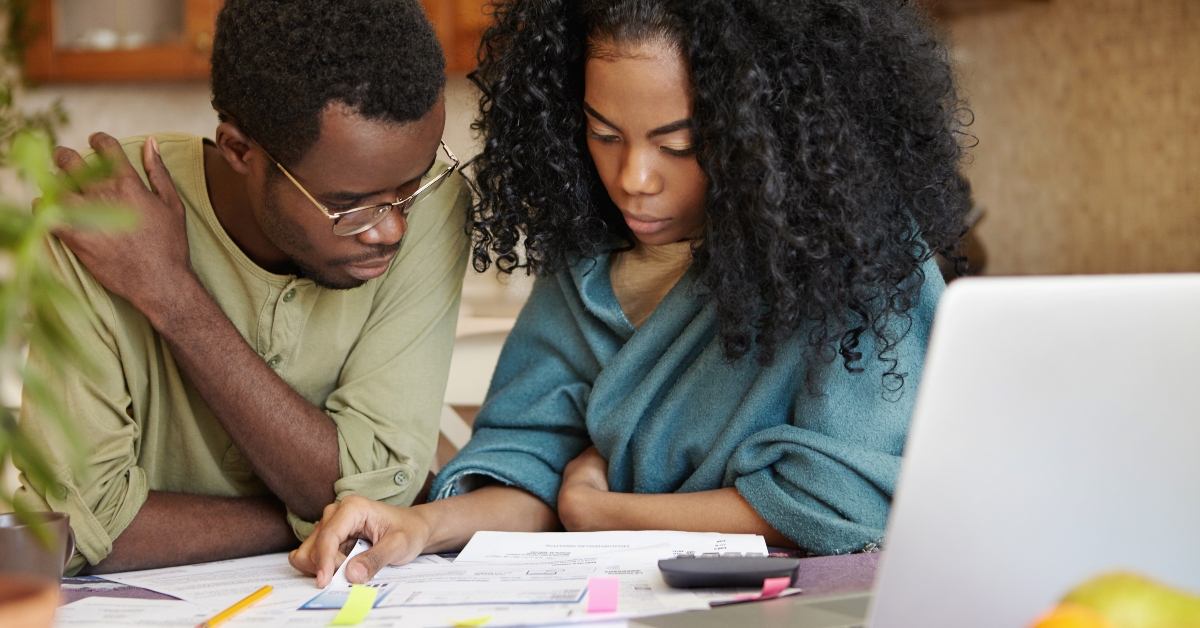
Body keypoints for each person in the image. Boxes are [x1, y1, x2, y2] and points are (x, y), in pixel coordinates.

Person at [292, 0, 971, 586]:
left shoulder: (854, 255)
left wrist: (605, 512)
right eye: (603, 134)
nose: (633, 178)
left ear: (766, 129)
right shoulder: (586, 265)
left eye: (679, 144)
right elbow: (531, 467)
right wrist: (419, 526)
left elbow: (854, 499)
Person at [14, 0, 470, 575]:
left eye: (413, 183)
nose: (392, 229)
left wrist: (172, 296)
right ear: (239, 151)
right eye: (347, 205)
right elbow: (77, 526)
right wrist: (325, 515)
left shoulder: (436, 210)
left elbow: (386, 494)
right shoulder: (110, 213)